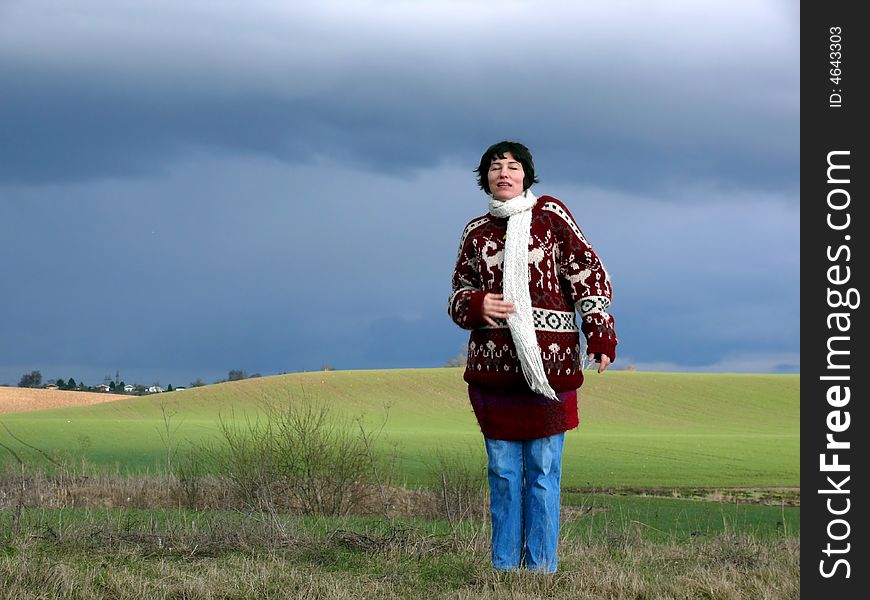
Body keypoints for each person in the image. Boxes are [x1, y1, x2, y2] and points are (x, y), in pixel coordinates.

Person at [448, 140, 617, 573]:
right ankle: (504, 569)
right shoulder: (475, 232)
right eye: (495, 167)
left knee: (543, 475)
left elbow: (588, 272)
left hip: (549, 374)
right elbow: (456, 296)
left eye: (513, 166)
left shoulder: (551, 218)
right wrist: (476, 304)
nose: (504, 173)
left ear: (527, 175)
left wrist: (600, 332)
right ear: (484, 177)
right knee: (504, 475)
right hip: (494, 374)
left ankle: (541, 570)